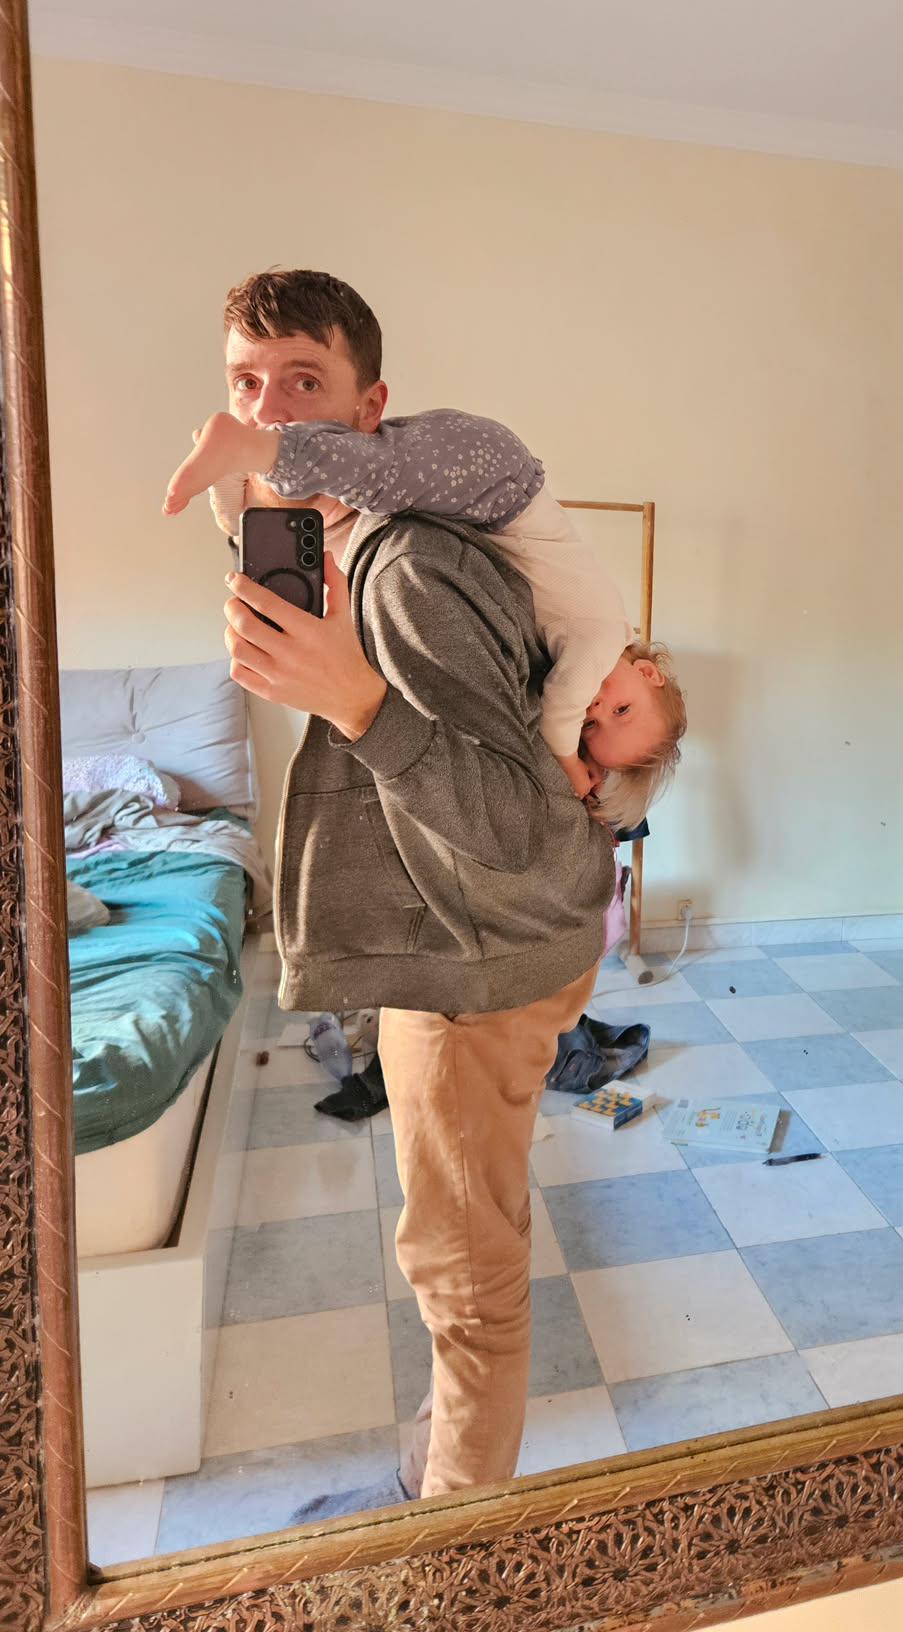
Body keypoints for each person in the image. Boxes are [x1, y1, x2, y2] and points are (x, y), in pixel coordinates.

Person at [189, 268, 618, 1512]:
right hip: (472, 941)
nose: (271, 413)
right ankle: (444, 1442)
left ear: (370, 410)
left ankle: (454, 1547)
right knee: (472, 1224)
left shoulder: (407, 572)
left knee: (462, 1274)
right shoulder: (342, 547)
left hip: (473, 970)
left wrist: (356, 700)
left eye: (304, 383)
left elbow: (521, 827)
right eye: (246, 385)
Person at [166, 406, 686, 831]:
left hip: (479, 503)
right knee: (376, 474)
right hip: (500, 485)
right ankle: (256, 447)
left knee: (339, 510)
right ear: (648, 672)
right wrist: (571, 762)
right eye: (622, 709)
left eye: (593, 724)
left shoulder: (596, 638)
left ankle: (235, 484)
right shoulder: (600, 638)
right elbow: (560, 712)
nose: (595, 705)